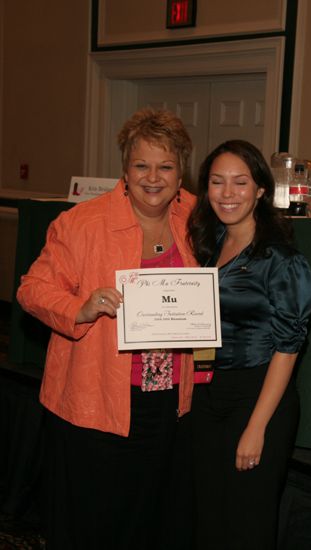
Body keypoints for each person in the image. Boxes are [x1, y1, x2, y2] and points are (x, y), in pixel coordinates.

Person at [17, 108, 197, 550]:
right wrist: (80, 308)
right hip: (94, 396)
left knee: (149, 511)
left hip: (167, 396)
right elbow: (31, 289)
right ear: (124, 169)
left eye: (165, 166)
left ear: (180, 172)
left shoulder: (196, 216)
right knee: (91, 516)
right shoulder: (81, 223)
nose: (152, 177)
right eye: (141, 165)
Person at [187, 140, 311, 550]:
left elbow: (288, 347)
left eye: (240, 182)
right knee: (208, 515)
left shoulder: (282, 260)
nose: (228, 193)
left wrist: (256, 428)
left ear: (261, 189)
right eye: (217, 182)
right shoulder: (208, 244)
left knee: (246, 521)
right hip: (210, 393)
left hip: (260, 396)